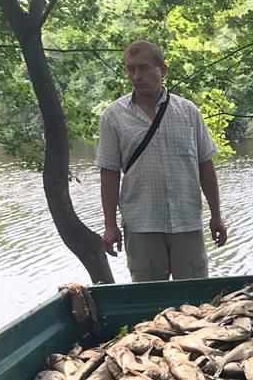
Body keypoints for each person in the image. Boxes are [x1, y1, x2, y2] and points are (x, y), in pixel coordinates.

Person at [96, 40, 227, 282]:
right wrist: (110, 225)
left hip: (187, 221)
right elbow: (109, 174)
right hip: (141, 224)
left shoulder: (188, 112)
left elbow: (205, 167)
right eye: (131, 69)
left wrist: (216, 215)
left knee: (195, 298)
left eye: (144, 68)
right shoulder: (113, 116)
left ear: (162, 70)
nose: (137, 75)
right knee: (149, 300)